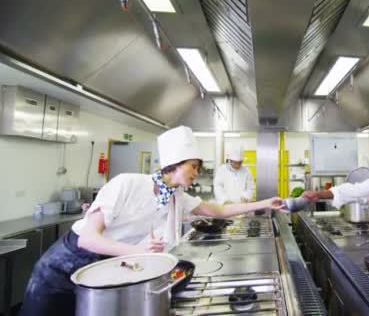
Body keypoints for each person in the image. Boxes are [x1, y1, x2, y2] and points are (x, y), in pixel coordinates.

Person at [20, 126, 283, 316]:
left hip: (106, 269)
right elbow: (89, 239)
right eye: (193, 166)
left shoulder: (176, 196)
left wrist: (265, 203)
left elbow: (217, 211)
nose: (197, 173)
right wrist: (141, 253)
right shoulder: (127, 183)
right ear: (175, 164)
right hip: (63, 267)